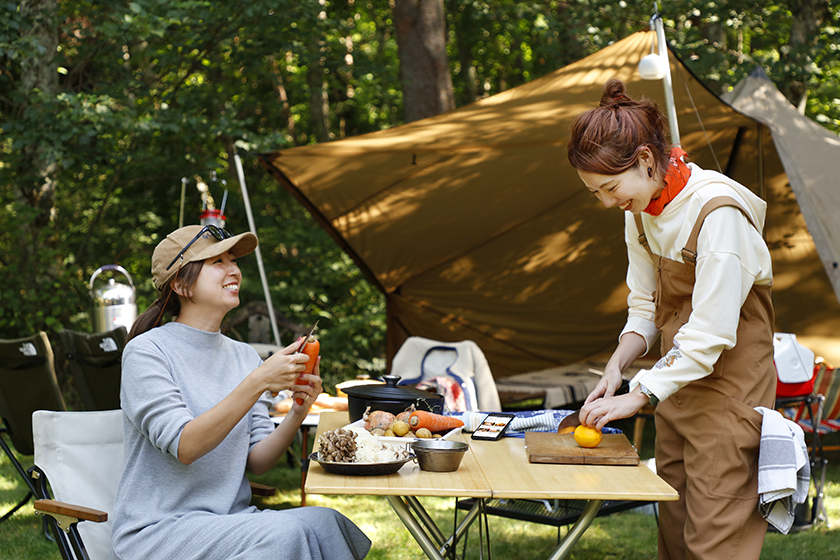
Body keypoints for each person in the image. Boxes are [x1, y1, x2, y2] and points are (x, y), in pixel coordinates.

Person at [567, 79, 776, 559]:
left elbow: (707, 336)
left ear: (645, 160)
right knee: (676, 537)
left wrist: (637, 397)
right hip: (675, 392)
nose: (606, 202)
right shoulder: (639, 209)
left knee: (715, 541)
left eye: (610, 188)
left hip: (730, 394)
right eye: (595, 192)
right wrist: (618, 367)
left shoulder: (718, 212)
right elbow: (644, 306)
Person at [111, 224, 371, 560]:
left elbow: (258, 461)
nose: (233, 269)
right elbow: (185, 446)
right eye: (217, 261)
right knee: (286, 533)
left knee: (328, 523)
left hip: (228, 522)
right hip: (159, 530)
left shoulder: (244, 355)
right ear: (180, 284)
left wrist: (298, 411)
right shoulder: (147, 352)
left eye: (233, 260)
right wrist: (258, 381)